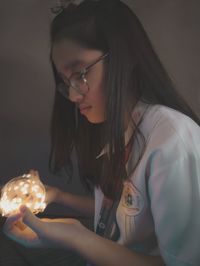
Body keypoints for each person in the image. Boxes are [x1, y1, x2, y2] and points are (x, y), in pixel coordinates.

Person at [3, 0, 200, 265]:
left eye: (79, 74)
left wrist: (77, 238)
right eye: (65, 82)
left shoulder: (172, 143)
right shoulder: (117, 130)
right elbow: (123, 210)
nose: (72, 95)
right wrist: (58, 196)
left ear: (121, 57)